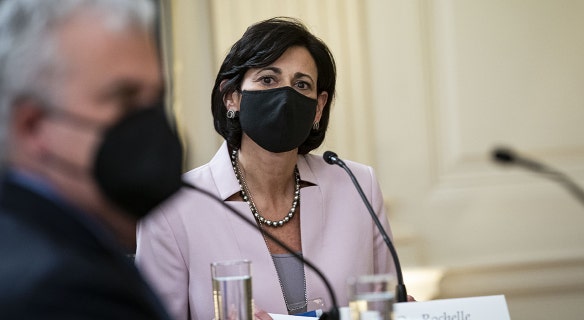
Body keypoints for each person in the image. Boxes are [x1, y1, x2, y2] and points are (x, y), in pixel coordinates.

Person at [135, 17, 396, 319]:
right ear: (232, 96)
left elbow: (386, 307)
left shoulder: (358, 186)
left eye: (301, 84)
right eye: (268, 79)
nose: (285, 96)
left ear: (318, 107)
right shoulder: (172, 206)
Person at [0, 0, 183, 318]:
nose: (151, 126)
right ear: (33, 126)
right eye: (124, 100)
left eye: (155, 102)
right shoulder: (66, 293)